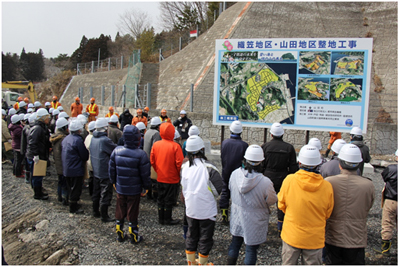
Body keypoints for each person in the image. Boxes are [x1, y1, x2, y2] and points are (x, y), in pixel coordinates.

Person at [278, 145, 334, 265]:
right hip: (314, 238)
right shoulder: (326, 186)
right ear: (319, 164)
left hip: (292, 235)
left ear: (299, 162)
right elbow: (328, 212)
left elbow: (281, 205)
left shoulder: (289, 180)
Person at [227, 145, 277, 265]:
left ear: (245, 160)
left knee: (235, 243)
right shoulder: (265, 182)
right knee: (251, 249)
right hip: (255, 220)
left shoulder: (234, 174)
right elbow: (272, 200)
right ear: (261, 162)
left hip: (237, 216)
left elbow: (230, 189)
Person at [324, 144, 374, 264]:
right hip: (357, 237)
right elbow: (369, 205)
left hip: (333, 235)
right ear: (358, 164)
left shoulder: (328, 182)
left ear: (340, 164)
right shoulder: (368, 185)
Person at [181, 136, 223, 265]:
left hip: (191, 209)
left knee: (191, 235)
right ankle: (203, 263)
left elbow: (183, 187)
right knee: (205, 238)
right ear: (202, 150)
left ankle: (190, 262)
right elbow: (218, 189)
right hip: (207, 210)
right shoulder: (209, 168)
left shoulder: (184, 167)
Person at [109, 125, 151, 243]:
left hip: (120, 187)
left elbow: (111, 170)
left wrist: (113, 182)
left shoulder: (116, 151)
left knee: (120, 209)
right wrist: (146, 187)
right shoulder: (141, 154)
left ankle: (119, 233)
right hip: (134, 189)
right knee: (132, 212)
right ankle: (134, 235)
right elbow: (145, 174)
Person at [262, 122, 298, 236]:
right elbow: (293, 167)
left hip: (267, 178)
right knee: (282, 203)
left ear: (271, 134)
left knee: (264, 202)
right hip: (283, 178)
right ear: (283, 134)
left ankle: (263, 225)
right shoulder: (289, 148)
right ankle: (280, 227)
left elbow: (261, 165)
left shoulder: (265, 146)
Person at [150, 122, 184, 225]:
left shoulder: (156, 144)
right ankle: (167, 219)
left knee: (161, 198)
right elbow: (180, 164)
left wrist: (158, 170)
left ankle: (161, 219)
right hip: (172, 178)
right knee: (169, 199)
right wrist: (179, 174)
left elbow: (152, 161)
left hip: (160, 176)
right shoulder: (176, 146)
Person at [220, 120, 248, 224]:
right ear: (241, 132)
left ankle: (224, 214)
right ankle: (238, 217)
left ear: (231, 130)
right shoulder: (244, 145)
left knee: (225, 191)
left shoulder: (225, 143)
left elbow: (222, 157)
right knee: (239, 193)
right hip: (239, 173)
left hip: (226, 170)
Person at [90, 118, 117, 222]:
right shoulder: (105, 140)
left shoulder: (93, 138)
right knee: (105, 193)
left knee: (96, 192)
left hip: (96, 169)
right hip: (104, 170)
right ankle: (104, 215)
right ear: (105, 128)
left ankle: (95, 211)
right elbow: (114, 150)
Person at [61, 120, 89, 214]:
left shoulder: (66, 139)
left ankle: (71, 203)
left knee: (70, 187)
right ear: (78, 130)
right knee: (76, 188)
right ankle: (73, 207)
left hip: (67, 168)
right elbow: (84, 155)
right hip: (76, 168)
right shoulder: (78, 140)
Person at [374, 149, 398, 255]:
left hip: (391, 199)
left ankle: (385, 248)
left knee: (387, 223)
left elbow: (384, 177)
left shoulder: (392, 169)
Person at [26, 108, 51, 200]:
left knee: (37, 175)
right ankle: (37, 194)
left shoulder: (41, 127)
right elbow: (33, 143)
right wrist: (35, 155)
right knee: (37, 176)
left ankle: (38, 190)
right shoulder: (37, 128)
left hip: (39, 154)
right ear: (43, 118)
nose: (49, 119)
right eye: (47, 117)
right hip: (36, 156)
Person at [50, 117, 69, 205]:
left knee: (60, 181)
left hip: (58, 163)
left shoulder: (55, 136)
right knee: (65, 182)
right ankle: (65, 198)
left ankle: (59, 196)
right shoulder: (63, 139)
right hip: (63, 164)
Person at [143, 117, 162, 200]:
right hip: (152, 158)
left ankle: (148, 194)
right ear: (158, 126)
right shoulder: (156, 134)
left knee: (148, 178)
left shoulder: (147, 132)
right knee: (154, 179)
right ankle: (155, 196)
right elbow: (156, 147)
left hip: (145, 157)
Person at [20, 113, 34, 182]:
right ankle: (28, 178)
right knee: (28, 166)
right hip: (28, 150)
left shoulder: (26, 128)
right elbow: (24, 141)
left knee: (28, 165)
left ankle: (28, 177)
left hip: (27, 150)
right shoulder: (28, 129)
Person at [84, 121, 96, 196]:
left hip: (89, 161)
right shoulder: (93, 138)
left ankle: (91, 192)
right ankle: (93, 192)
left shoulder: (88, 137)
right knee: (93, 178)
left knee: (91, 177)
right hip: (92, 161)